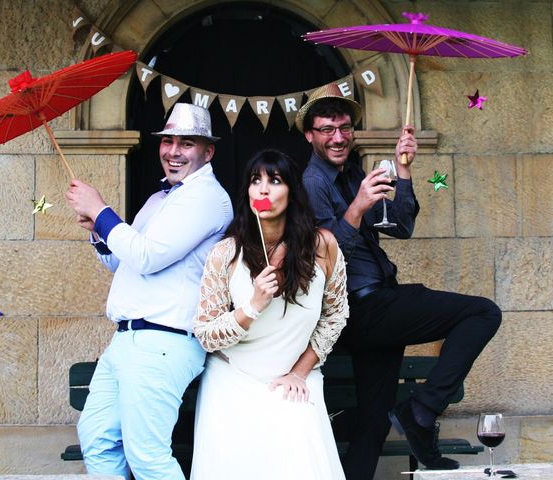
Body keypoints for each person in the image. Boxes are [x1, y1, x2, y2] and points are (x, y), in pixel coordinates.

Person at [297, 84, 501, 480]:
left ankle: (415, 419)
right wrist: (356, 208)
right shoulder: (312, 183)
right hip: (359, 310)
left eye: (343, 127)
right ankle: (421, 411)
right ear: (309, 134)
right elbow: (323, 263)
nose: (338, 137)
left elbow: (401, 227)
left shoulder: (353, 173)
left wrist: (403, 168)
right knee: (482, 312)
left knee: (373, 425)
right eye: (326, 129)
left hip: (376, 313)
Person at [65, 103, 233, 480]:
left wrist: (101, 208)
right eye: (168, 141)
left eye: (186, 143)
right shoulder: (159, 199)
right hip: (126, 340)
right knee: (96, 440)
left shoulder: (207, 197)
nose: (173, 151)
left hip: (164, 340)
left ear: (208, 152)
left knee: (147, 456)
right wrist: (98, 228)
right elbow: (123, 264)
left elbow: (146, 256)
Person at [190, 149, 350, 480]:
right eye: (255, 181)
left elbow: (335, 316)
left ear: (291, 192)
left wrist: (299, 372)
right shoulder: (225, 254)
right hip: (233, 378)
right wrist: (252, 306)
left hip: (294, 380)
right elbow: (206, 334)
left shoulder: (324, 246)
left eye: (274, 181)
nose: (263, 190)